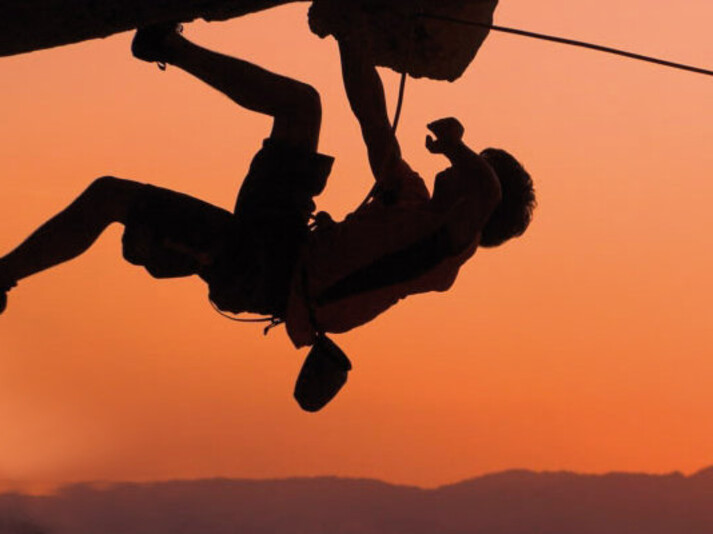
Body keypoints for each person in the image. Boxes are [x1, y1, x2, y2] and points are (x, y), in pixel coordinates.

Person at [0, 25, 535, 410]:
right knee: (302, 106)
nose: (457, 167)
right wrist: (348, 33)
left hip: (262, 272)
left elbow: (488, 193)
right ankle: (165, 44)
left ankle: (4, 274)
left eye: (473, 167)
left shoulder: (447, 252)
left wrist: (457, 146)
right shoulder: (412, 199)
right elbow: (373, 118)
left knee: (110, 197)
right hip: (283, 239)